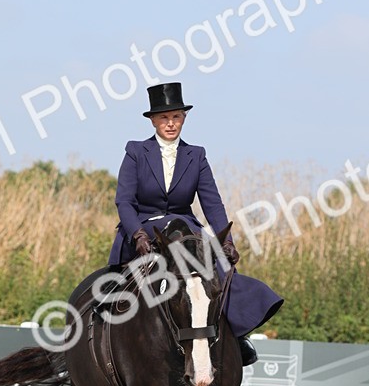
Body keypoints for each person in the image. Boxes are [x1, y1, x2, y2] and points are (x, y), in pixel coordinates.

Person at [108, 82, 283, 365]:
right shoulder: (136, 152)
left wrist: (227, 242)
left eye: (176, 117)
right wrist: (138, 234)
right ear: (153, 121)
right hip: (145, 229)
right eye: (164, 117)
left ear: (184, 118)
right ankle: (103, 331)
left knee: (221, 267)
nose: (170, 123)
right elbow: (124, 201)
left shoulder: (197, 155)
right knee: (112, 288)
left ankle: (236, 335)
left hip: (184, 229)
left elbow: (212, 203)